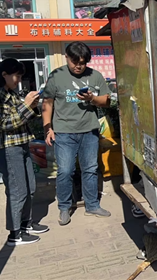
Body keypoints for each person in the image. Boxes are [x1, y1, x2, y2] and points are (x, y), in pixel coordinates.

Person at [42, 42, 111, 226]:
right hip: (64, 133)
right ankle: (64, 207)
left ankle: (92, 205)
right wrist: (47, 128)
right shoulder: (56, 76)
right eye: (75, 62)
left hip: (89, 131)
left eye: (83, 62)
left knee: (90, 169)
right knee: (65, 171)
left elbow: (106, 101)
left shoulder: (95, 76)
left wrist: (92, 99)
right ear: (66, 57)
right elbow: (47, 103)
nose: (79, 66)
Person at [0, 58, 49, 246]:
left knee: (30, 187)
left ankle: (26, 224)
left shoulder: (10, 93)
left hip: (21, 145)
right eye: (16, 76)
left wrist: (32, 105)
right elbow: (6, 123)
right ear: (4, 74)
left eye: (20, 76)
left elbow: (22, 117)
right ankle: (14, 233)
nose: (18, 80)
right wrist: (26, 105)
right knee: (17, 190)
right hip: (7, 149)